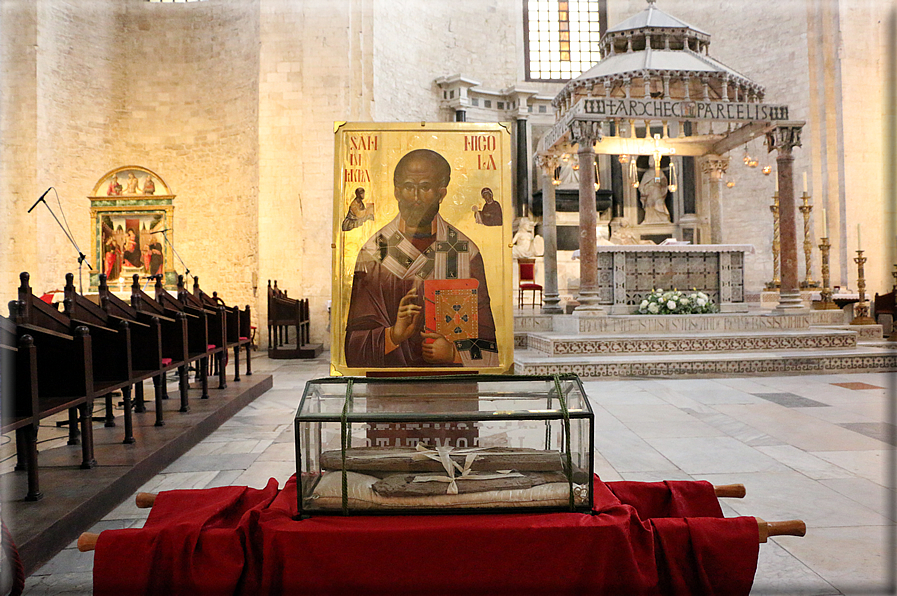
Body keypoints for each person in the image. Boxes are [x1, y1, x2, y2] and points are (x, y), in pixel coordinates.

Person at [344, 149, 498, 368]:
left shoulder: (465, 253)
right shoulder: (374, 254)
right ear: (397, 191)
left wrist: (454, 353)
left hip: (451, 392)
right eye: (408, 187)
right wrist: (392, 336)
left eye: (425, 187)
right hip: (390, 392)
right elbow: (353, 347)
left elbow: (489, 344)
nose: (415, 197)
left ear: (441, 193)